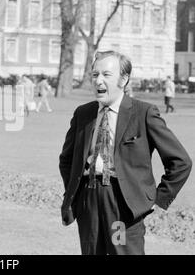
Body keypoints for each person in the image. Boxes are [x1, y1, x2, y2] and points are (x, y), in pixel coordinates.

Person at [59, 51, 192, 255]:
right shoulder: (83, 113)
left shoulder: (143, 113)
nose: (98, 81)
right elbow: (66, 160)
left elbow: (180, 161)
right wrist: (75, 192)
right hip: (89, 202)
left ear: (124, 79)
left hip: (122, 206)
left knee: (121, 251)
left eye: (106, 75)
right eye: (95, 75)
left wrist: (158, 199)